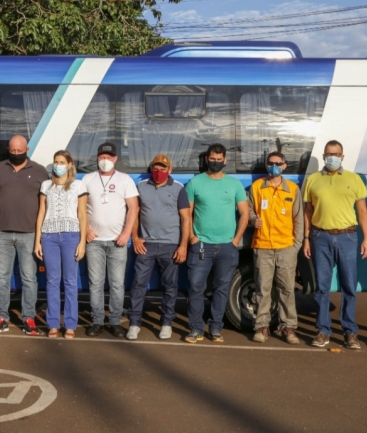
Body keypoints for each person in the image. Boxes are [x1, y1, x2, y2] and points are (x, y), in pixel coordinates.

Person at [303, 140, 367, 349]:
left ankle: (350, 333)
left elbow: (363, 211)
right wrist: (306, 238)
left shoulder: (354, 179)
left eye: (337, 154)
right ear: (324, 156)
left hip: (347, 237)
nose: (333, 157)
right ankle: (323, 331)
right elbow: (307, 212)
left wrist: (366, 238)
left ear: (342, 156)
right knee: (322, 287)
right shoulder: (313, 180)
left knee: (349, 286)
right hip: (320, 237)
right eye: (330, 154)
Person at [185, 143, 249, 344]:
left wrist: (236, 239)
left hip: (227, 248)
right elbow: (186, 214)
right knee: (196, 287)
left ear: (225, 160)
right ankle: (196, 329)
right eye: (212, 159)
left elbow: (245, 213)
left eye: (219, 159)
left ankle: (215, 328)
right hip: (201, 245)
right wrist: (191, 236)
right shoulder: (195, 183)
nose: (215, 162)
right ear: (207, 159)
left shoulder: (234, 184)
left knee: (222, 289)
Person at [0, 135, 48, 335]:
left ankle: (28, 317)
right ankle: (1, 317)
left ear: (27, 149)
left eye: (19, 151)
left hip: (29, 234)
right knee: (2, 278)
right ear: (8, 149)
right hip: (2, 233)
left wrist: (40, 234)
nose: (15, 154)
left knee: (29, 278)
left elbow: (44, 205)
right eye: (12, 151)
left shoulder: (39, 171)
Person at [126, 154, 190, 341]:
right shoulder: (141, 187)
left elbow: (186, 218)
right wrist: (135, 237)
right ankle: (135, 323)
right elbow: (134, 213)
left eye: (163, 169)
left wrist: (183, 245)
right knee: (138, 284)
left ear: (169, 170)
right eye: (156, 168)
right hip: (146, 245)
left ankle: (166, 323)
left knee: (170, 286)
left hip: (170, 245)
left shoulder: (178, 189)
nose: (159, 172)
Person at [82, 142, 139, 338]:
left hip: (118, 242)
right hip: (94, 242)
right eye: (102, 157)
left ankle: (115, 322)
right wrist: (86, 230)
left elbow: (133, 207)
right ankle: (97, 321)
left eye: (109, 157)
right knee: (95, 283)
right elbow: (79, 208)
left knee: (116, 284)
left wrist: (126, 233)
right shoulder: (88, 179)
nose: (105, 160)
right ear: (97, 158)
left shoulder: (125, 180)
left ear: (115, 159)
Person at [248, 151, 303, 344]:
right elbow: (249, 211)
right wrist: (253, 220)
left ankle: (288, 328)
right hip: (262, 246)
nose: (274, 166)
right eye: (271, 163)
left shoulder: (293, 189)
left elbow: (299, 220)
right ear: (266, 165)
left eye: (278, 163)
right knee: (262, 289)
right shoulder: (256, 187)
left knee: (286, 289)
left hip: (286, 247)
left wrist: (296, 246)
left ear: (285, 166)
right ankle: (262, 327)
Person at [34, 150, 87, 339]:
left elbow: (82, 215)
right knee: (52, 281)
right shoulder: (45, 185)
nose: (58, 165)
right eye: (56, 161)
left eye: (62, 161)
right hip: (49, 237)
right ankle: (53, 324)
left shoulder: (79, 186)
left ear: (70, 164)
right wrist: (37, 241)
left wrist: (82, 242)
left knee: (70, 281)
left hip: (71, 236)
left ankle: (71, 324)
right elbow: (41, 213)